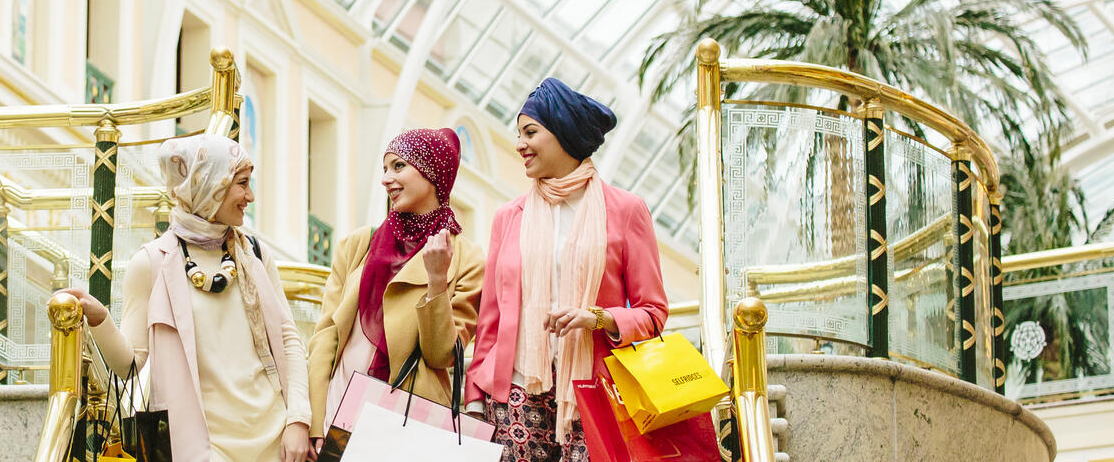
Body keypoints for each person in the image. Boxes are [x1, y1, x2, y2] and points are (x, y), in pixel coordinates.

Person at [61, 134, 312, 462]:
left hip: (275, 440)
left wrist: (298, 420)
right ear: (210, 185)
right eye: (242, 183)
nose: (250, 196)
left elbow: (289, 340)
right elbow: (129, 365)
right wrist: (99, 319)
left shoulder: (255, 254)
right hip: (201, 448)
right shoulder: (151, 263)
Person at [464, 78, 669, 462]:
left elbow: (653, 313)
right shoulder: (509, 217)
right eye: (518, 134)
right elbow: (490, 319)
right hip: (516, 393)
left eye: (530, 132)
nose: (519, 144)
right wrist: (474, 399)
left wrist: (599, 318)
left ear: (563, 133)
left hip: (595, 391)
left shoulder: (626, 211)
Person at [307, 128, 485, 447]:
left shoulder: (466, 258)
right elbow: (326, 337)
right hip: (339, 408)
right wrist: (314, 423)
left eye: (399, 166)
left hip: (407, 423)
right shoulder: (360, 244)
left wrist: (436, 280)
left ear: (432, 170)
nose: (386, 179)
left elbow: (442, 354)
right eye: (385, 168)